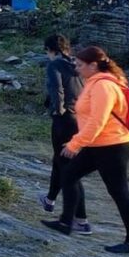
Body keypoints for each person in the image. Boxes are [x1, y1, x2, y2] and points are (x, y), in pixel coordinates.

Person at [41, 47, 129, 254]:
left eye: (80, 65)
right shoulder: (94, 83)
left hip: (112, 146)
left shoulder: (103, 86)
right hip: (98, 144)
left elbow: (98, 121)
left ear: (93, 65)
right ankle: (66, 222)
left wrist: (75, 143)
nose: (77, 69)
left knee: (119, 192)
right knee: (68, 174)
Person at [37, 35, 85, 227]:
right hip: (80, 119)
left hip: (64, 120)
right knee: (60, 161)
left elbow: (57, 90)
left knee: (68, 167)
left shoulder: (55, 65)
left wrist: (58, 111)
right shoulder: (78, 66)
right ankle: (49, 200)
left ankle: (80, 219)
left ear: (50, 49)